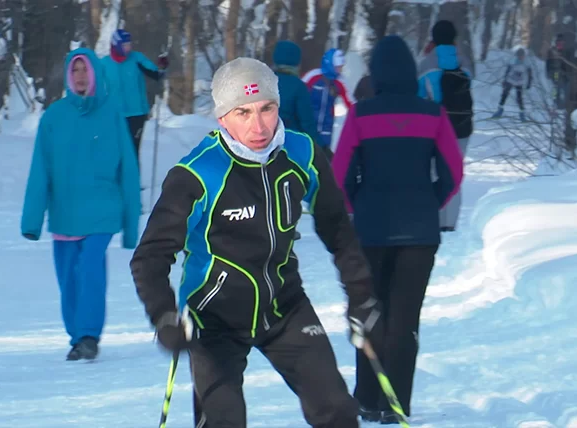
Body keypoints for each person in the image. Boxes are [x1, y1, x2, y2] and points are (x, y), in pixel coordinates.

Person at [130, 57, 381, 428]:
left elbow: (338, 232)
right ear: (222, 118)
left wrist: (361, 295)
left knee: (338, 411)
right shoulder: (197, 174)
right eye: (242, 112)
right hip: (213, 318)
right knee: (225, 421)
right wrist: (164, 314)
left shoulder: (304, 154)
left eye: (267, 108)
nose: (258, 125)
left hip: (284, 307)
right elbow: (150, 257)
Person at [333, 35, 464, 424]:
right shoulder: (433, 114)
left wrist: (359, 204)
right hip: (420, 233)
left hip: (371, 230)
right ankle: (397, 405)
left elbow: (340, 175)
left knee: (370, 313)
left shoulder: (361, 115)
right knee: (405, 320)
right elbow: (453, 173)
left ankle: (368, 399)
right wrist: (430, 201)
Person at [21, 47, 141, 361]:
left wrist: (131, 226)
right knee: (69, 280)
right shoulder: (54, 116)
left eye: (85, 70)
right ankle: (77, 337)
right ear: (67, 76)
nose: (80, 76)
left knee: (90, 270)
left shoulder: (112, 112)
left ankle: (89, 335)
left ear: (95, 74)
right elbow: (40, 170)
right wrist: (32, 220)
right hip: (64, 214)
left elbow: (128, 168)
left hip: (102, 211)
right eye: (74, 71)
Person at [417, 19, 473, 232]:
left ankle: (437, 219)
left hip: (436, 128)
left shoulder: (427, 64)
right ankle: (451, 222)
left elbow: (419, 97)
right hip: (462, 126)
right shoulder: (465, 62)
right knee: (455, 172)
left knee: (433, 172)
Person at [101, 29, 169, 165]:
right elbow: (96, 88)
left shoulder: (136, 59)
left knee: (132, 149)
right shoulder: (104, 64)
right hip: (114, 114)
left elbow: (155, 74)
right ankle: (117, 182)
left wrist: (162, 66)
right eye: (125, 45)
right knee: (116, 149)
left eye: (129, 44)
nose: (129, 47)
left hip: (137, 113)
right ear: (116, 45)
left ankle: (134, 183)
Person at [303, 48, 353, 160]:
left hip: (326, 128)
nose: (340, 70)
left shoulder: (339, 81)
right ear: (329, 64)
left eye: (341, 67)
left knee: (323, 160)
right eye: (337, 67)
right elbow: (298, 93)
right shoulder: (313, 76)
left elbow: (351, 104)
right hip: (309, 126)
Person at [271, 40, 322, 146]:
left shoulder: (262, 82)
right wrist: (320, 147)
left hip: (262, 143)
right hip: (290, 144)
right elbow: (307, 123)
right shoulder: (298, 87)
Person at [491, 48, 532, 121]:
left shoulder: (527, 62)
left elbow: (530, 73)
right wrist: (504, 80)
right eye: (519, 56)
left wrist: (529, 83)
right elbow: (507, 70)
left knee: (519, 98)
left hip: (519, 82)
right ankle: (499, 110)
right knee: (504, 95)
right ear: (517, 56)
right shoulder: (513, 60)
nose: (521, 58)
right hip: (510, 80)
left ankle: (522, 114)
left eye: (522, 56)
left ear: (524, 56)